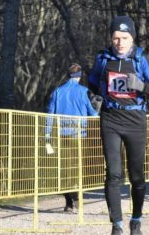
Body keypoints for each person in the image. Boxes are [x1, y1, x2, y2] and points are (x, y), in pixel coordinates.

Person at [88, 15, 149, 235]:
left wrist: (142, 85)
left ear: (132, 37)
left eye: (124, 37)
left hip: (135, 120)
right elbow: (92, 83)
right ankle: (117, 225)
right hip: (110, 118)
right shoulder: (102, 58)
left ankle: (136, 219)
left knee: (136, 175)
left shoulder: (142, 58)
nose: (119, 42)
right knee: (113, 173)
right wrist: (94, 97)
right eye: (115, 38)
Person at [46, 63, 99, 213]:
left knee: (64, 168)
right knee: (78, 167)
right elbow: (93, 114)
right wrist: (98, 109)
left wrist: (47, 137)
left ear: (68, 75)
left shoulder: (57, 91)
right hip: (79, 135)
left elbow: (50, 115)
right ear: (80, 75)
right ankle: (77, 198)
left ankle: (69, 202)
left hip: (61, 135)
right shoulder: (84, 91)